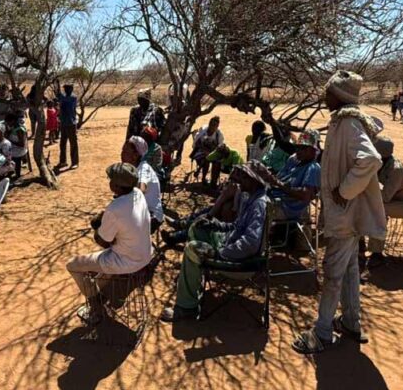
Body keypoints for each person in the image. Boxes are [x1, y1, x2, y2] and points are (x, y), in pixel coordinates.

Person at [293, 70, 385, 354]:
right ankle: (351, 322)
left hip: (345, 214)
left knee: (333, 272)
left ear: (340, 96)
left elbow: (370, 158)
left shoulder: (348, 124)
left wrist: (344, 191)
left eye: (329, 92)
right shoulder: (343, 123)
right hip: (346, 214)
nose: (325, 97)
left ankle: (321, 333)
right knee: (349, 269)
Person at [160, 163, 269, 322]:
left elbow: (250, 243)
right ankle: (194, 279)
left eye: (245, 177)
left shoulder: (259, 204)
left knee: (192, 249)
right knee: (197, 228)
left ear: (255, 181)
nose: (240, 180)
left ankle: (187, 308)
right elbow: (236, 226)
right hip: (230, 244)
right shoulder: (250, 198)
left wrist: (221, 254)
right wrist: (216, 225)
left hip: (241, 259)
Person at [66, 163, 152, 325]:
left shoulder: (114, 209)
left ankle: (96, 307)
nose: (109, 182)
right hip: (144, 254)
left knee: (73, 265)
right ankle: (103, 293)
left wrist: (97, 228)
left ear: (117, 186)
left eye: (111, 179)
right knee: (95, 264)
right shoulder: (138, 194)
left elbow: (103, 242)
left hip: (126, 261)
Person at [364, 136, 403, 269]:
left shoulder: (396, 170)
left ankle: (376, 253)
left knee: (379, 210)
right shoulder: (382, 165)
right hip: (399, 200)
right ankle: (361, 245)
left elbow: (385, 197)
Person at [265, 130, 321, 222]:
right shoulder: (294, 161)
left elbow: (305, 195)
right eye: (297, 148)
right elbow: (279, 178)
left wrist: (280, 185)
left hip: (287, 207)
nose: (298, 151)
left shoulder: (313, 168)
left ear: (313, 150)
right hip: (276, 198)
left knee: (256, 206)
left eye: (303, 148)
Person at [121, 137, 163, 230]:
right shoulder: (132, 168)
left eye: (126, 152)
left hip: (152, 215)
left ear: (135, 155)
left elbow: (141, 189)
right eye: (122, 151)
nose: (122, 155)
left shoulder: (144, 168)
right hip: (139, 210)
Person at [190, 116, 225, 184]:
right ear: (209, 124)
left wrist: (212, 152)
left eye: (215, 125)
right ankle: (203, 178)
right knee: (205, 161)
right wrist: (204, 150)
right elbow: (196, 144)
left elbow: (220, 147)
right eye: (211, 124)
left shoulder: (218, 134)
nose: (212, 127)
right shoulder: (203, 131)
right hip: (200, 152)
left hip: (213, 152)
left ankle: (213, 181)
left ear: (217, 126)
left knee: (217, 162)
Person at [56, 84, 80, 169]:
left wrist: (59, 93)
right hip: (63, 123)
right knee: (62, 143)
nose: (66, 90)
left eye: (68, 89)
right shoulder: (63, 97)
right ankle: (63, 161)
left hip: (71, 123)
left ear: (71, 89)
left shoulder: (73, 97)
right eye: (65, 89)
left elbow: (64, 100)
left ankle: (75, 162)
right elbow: (59, 98)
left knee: (73, 143)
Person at [4, 113, 30, 179]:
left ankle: (17, 175)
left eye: (8, 122)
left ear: (12, 121)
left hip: (19, 150)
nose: (7, 124)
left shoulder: (20, 129)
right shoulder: (14, 128)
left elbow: (22, 144)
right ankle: (12, 171)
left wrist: (10, 140)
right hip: (15, 148)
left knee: (13, 158)